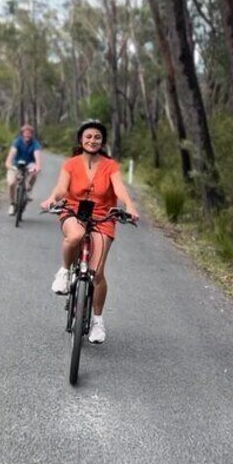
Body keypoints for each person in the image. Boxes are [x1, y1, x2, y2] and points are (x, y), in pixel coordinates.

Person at [39, 120, 140, 344]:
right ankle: (64, 272)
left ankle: (97, 321)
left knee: (97, 273)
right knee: (74, 236)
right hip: (74, 212)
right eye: (88, 137)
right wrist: (52, 198)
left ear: (102, 141)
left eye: (97, 137)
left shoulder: (110, 166)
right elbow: (62, 188)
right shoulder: (71, 164)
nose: (92, 140)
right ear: (80, 140)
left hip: (103, 217)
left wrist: (130, 206)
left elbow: (119, 188)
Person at [5, 124, 42, 216]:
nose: (27, 135)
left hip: (29, 165)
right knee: (11, 183)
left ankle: (28, 190)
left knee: (34, 172)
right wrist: (11, 166)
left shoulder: (35, 144)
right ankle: (12, 204)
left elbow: (37, 157)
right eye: (25, 133)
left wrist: (37, 167)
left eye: (29, 134)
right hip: (16, 165)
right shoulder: (17, 142)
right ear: (22, 134)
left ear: (32, 135)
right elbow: (9, 159)